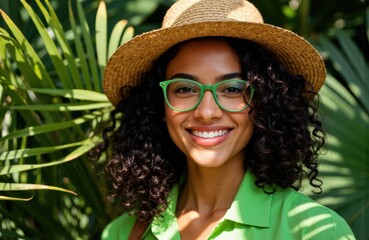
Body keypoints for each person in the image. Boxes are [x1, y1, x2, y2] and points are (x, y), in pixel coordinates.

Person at [96, 0, 355, 239]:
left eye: (232, 89)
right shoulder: (122, 233)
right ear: (159, 105)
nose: (207, 112)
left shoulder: (314, 230)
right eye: (185, 88)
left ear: (264, 102)